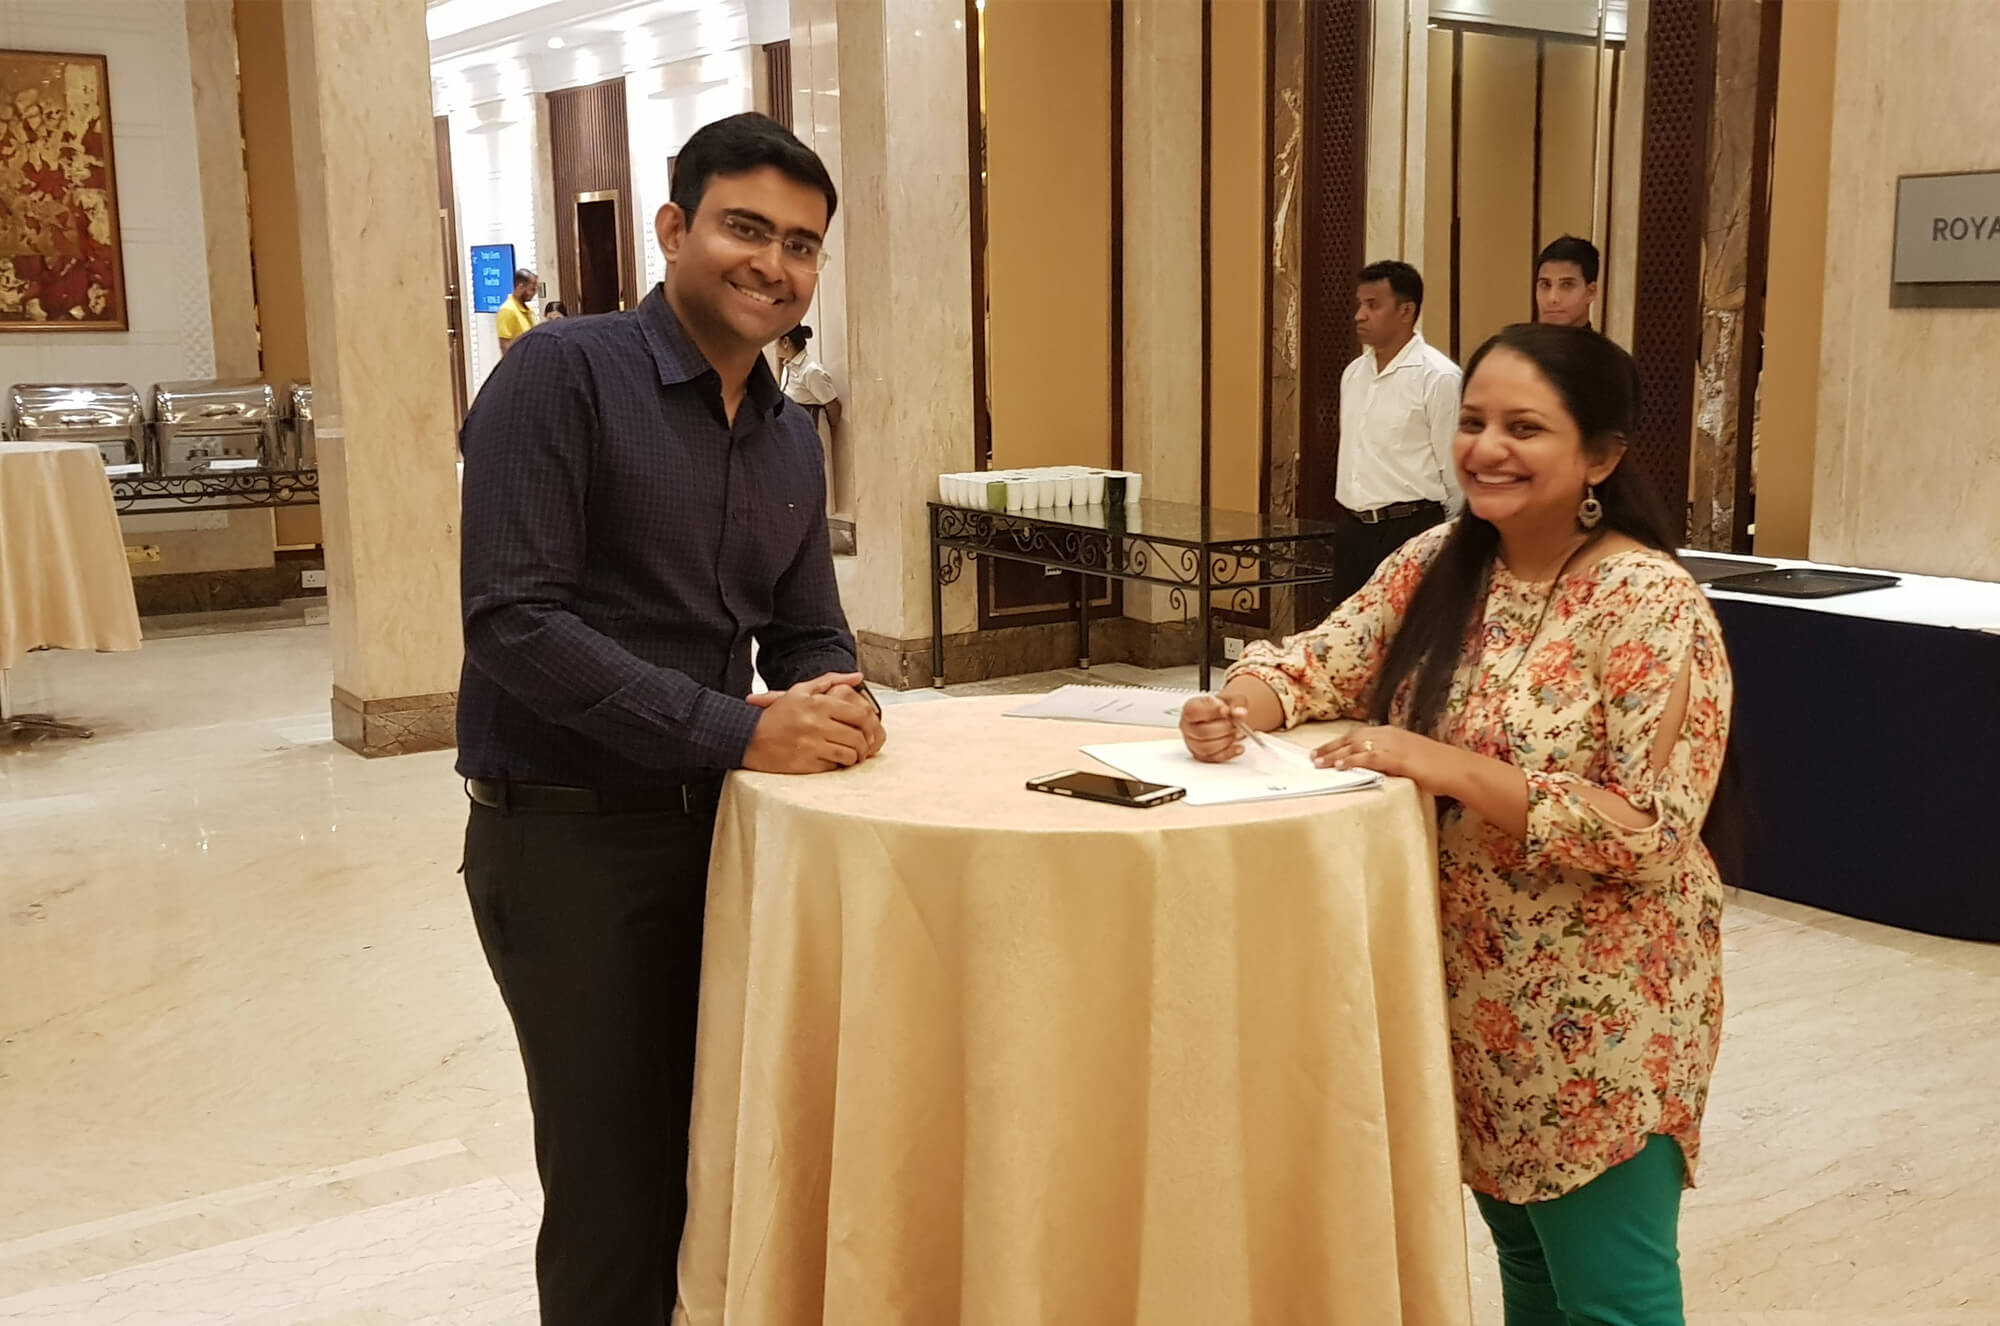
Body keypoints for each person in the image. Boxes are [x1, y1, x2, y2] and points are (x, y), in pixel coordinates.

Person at [1183, 324, 1733, 1326]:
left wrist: (1445, 765)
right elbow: (1313, 663)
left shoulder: (1649, 602)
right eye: (1473, 422)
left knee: (1613, 1297)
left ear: (1599, 456)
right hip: (1464, 997)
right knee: (1526, 1263)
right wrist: (1236, 709)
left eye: (1524, 428)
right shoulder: (1437, 561)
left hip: (1603, 1009)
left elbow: (1651, 827)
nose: (1487, 448)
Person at [457, 111, 885, 1324]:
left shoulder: (788, 438)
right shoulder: (562, 374)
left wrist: (837, 696)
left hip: (734, 839)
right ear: (672, 228)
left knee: (724, 1158)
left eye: (800, 245)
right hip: (569, 841)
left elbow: (805, 628)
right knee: (612, 1189)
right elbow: (513, 622)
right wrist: (738, 731)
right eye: (745, 229)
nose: (773, 265)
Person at [1333, 259, 1464, 606]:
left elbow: (1455, 472)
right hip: (1353, 530)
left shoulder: (1438, 377)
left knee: (1408, 630)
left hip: (1410, 528)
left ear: (1406, 311)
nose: (1359, 315)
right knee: (1349, 631)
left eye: (1372, 305)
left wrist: (1445, 539)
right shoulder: (1353, 374)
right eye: (1359, 304)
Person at [776, 323, 842, 515]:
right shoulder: (788, 367)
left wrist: (829, 427)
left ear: (786, 342)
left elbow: (833, 404)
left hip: (812, 426)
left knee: (817, 474)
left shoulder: (811, 371)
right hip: (792, 431)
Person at [1535, 235, 1601, 330]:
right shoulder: (1519, 338)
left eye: (1567, 285)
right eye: (1545, 285)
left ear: (1590, 292)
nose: (1552, 298)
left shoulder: (1599, 343)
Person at [496, 268, 537, 352]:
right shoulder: (507, 310)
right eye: (532, 289)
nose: (534, 293)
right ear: (520, 287)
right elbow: (505, 345)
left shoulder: (528, 310)